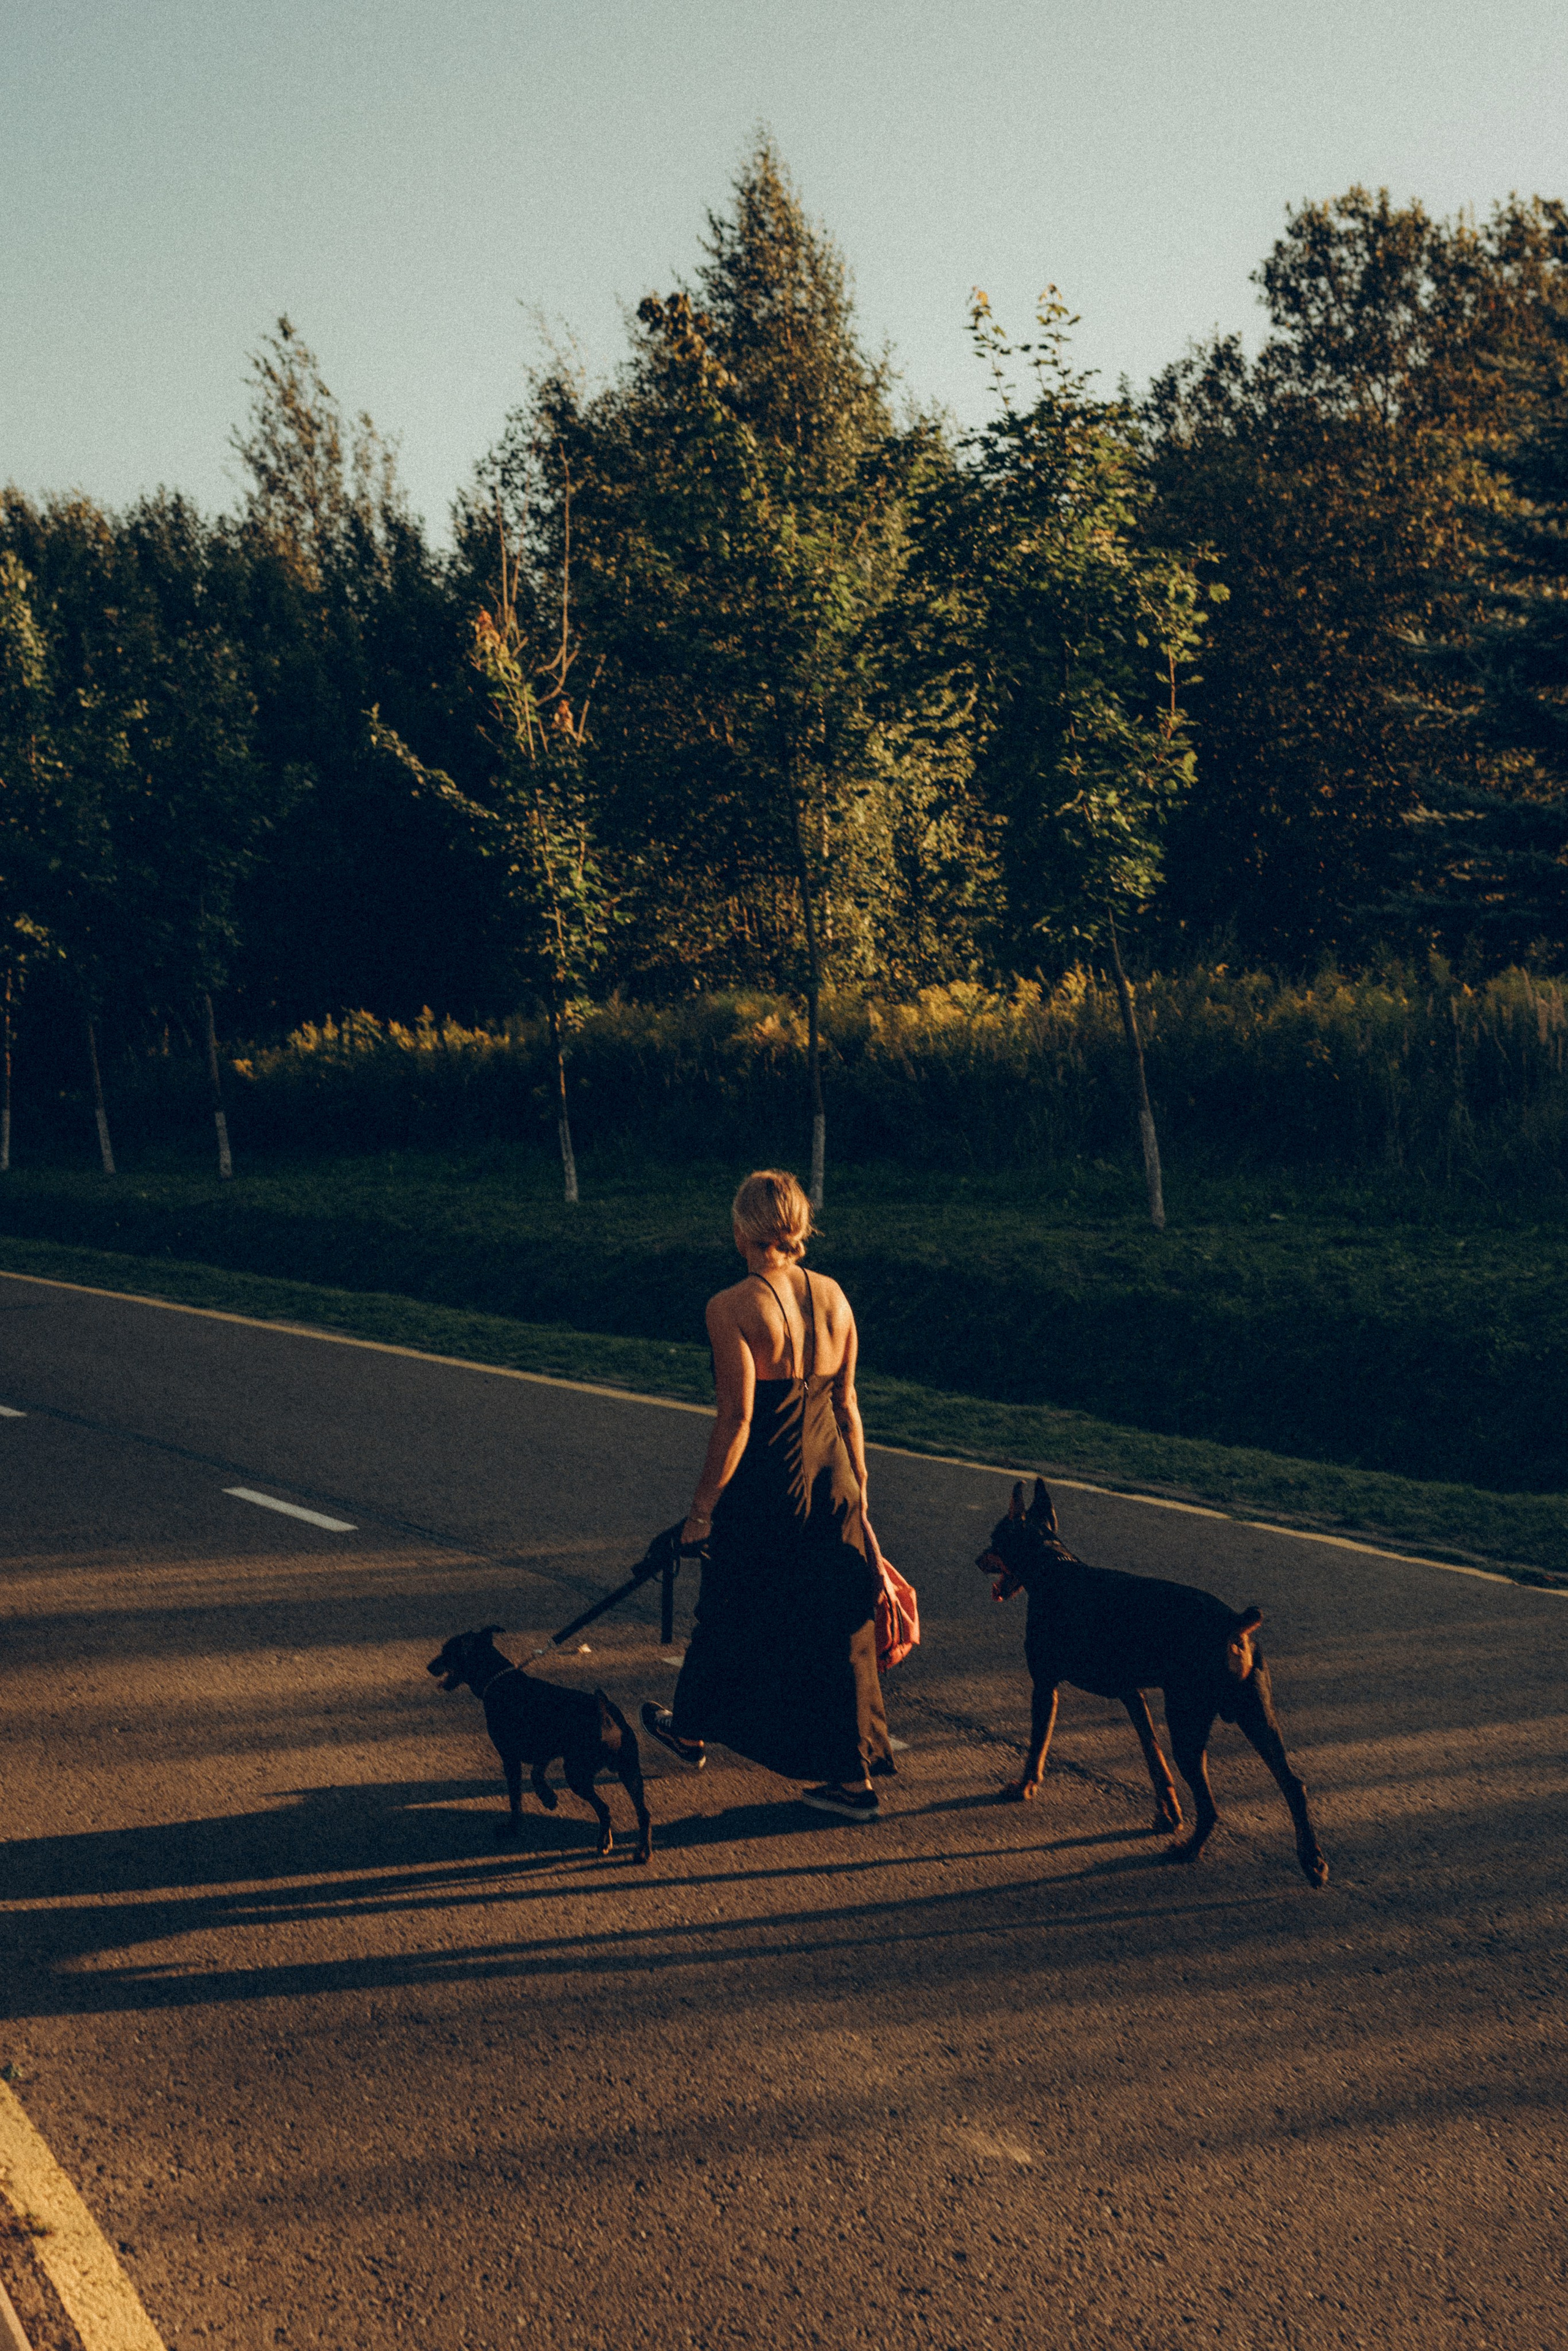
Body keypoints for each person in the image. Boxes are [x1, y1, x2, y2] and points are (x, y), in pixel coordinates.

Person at [641, 1168, 895, 1821]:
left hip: (770, 1485)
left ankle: (692, 1728)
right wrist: (859, 1492)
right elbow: (847, 1402)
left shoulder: (730, 1306)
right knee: (840, 1628)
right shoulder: (835, 1295)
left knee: (728, 1607)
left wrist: (701, 1512)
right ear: (798, 1227)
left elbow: (737, 1419)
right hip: (834, 1477)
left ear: (741, 1229)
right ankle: (852, 1779)